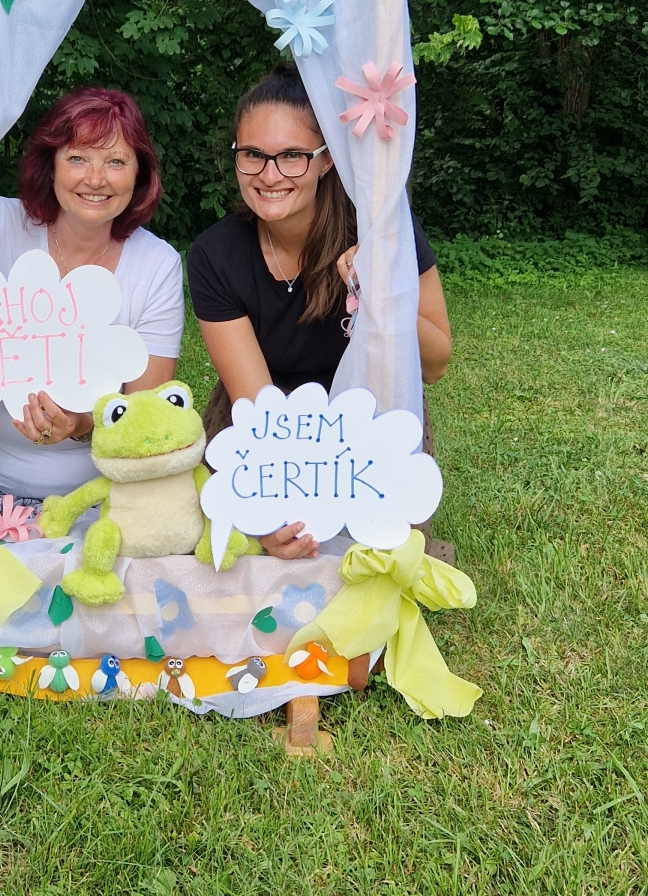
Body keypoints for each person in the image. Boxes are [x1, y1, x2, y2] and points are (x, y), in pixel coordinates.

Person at [187, 61, 452, 561]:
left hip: (370, 413)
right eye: (252, 155)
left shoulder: (381, 227)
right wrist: (268, 509)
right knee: (239, 557)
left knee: (378, 563)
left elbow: (435, 364)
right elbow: (258, 406)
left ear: (327, 159)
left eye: (293, 156)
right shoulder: (214, 254)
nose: (269, 175)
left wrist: (381, 296)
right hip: (264, 424)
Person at [0, 87, 184, 517]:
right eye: (77, 158)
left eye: (116, 162)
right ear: (50, 166)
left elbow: (147, 421)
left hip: (98, 496)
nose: (95, 179)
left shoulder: (157, 265)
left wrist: (80, 425)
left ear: (140, 174)